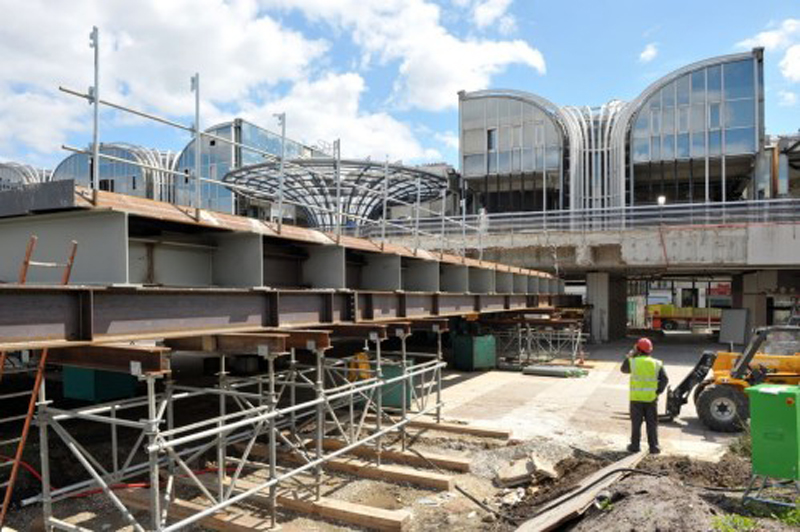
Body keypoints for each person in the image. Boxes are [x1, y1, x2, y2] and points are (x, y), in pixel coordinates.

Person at [621, 337, 668, 454]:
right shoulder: (657, 363)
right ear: (650, 350)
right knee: (652, 423)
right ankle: (654, 447)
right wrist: (657, 392)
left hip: (636, 399)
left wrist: (630, 356)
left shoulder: (633, 362)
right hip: (651, 399)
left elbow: (623, 369)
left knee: (636, 423)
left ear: (637, 349)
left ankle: (635, 446)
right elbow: (665, 380)